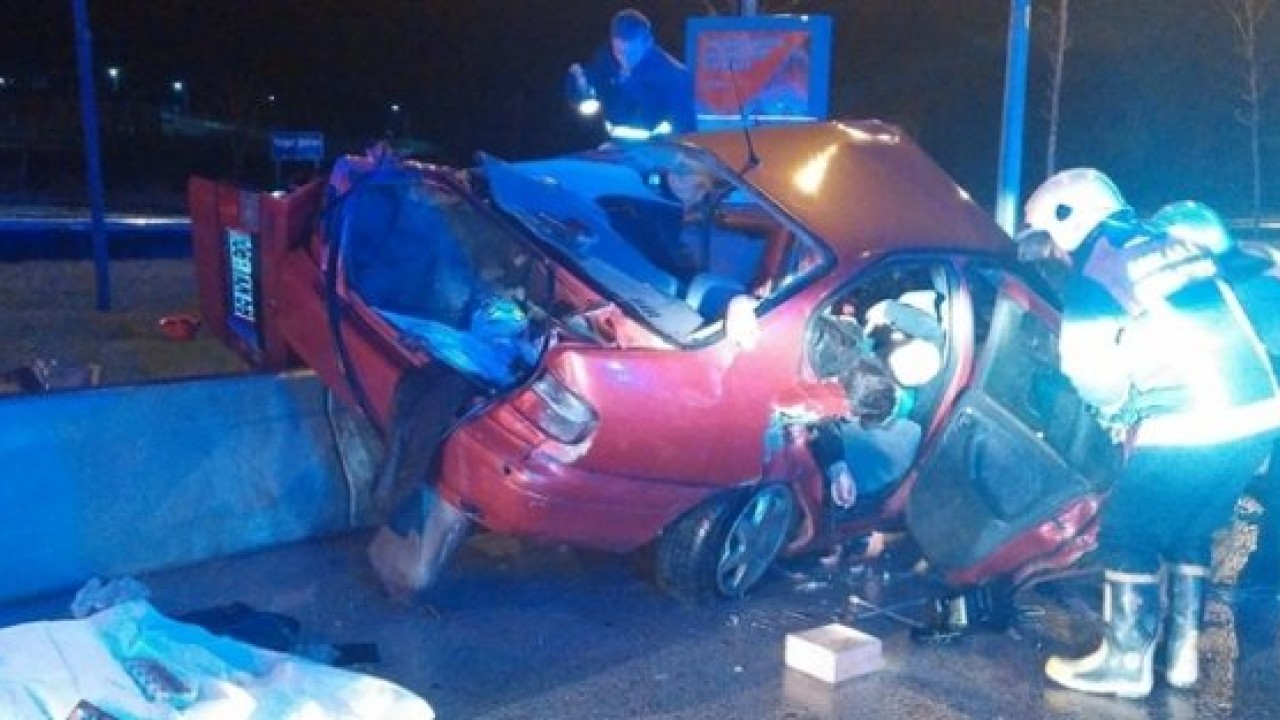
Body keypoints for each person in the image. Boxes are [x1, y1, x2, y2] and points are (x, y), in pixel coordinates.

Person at [1021, 168, 1280, 699]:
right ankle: (1181, 659)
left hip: (1195, 417)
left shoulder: (1100, 263)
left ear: (1069, 220)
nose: (1056, 255)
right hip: (1257, 415)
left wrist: (1115, 409)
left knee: (1128, 531)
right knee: (1189, 531)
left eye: (1050, 240)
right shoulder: (1167, 245)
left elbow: (1089, 367)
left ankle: (1125, 663)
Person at [567, 8, 697, 142]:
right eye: (619, 52)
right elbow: (587, 90)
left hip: (657, 148)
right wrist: (580, 87)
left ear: (648, 43)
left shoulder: (674, 76)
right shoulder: (605, 59)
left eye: (632, 53)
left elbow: (686, 133)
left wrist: (631, 83)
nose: (625, 60)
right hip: (614, 146)